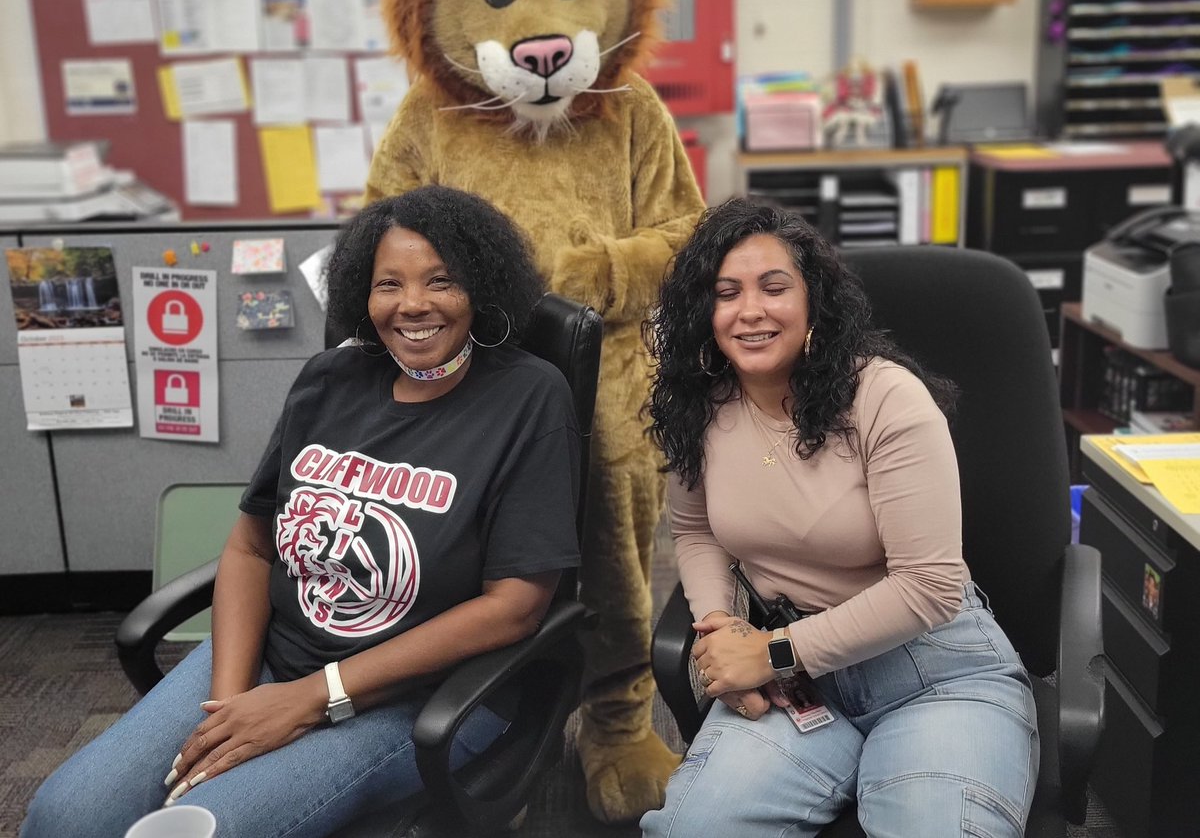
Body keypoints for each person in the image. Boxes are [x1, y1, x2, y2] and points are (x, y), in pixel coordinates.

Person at [22, 186, 582, 838]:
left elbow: (514, 604)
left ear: (480, 288)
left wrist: (312, 698)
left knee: (198, 827)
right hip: (273, 656)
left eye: (441, 281)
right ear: (361, 295)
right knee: (65, 817)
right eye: (388, 284)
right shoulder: (330, 380)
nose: (413, 304)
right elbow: (252, 548)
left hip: (421, 696)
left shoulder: (528, 396)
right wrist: (230, 704)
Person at [640, 197, 1039, 838]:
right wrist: (719, 634)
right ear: (703, 311)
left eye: (774, 288)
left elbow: (929, 587)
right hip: (798, 681)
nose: (750, 311)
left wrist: (770, 653)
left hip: (931, 670)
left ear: (813, 304)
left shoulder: (884, 397)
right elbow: (697, 530)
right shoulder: (700, 406)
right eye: (726, 292)